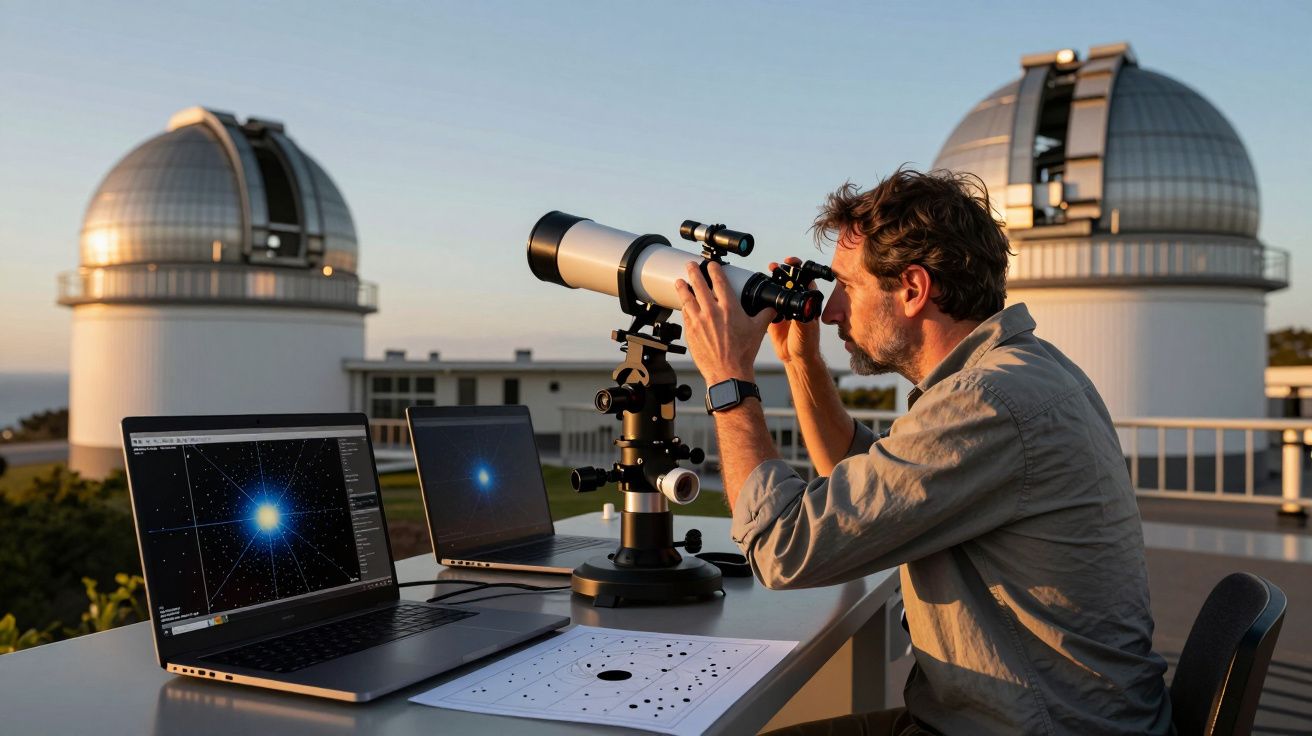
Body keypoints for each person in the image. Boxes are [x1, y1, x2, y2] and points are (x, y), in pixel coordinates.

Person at [673, 169, 1173, 736]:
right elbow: (866, 482)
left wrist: (728, 376)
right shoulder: (1021, 370)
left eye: (847, 286)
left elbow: (782, 548)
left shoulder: (986, 402)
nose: (831, 310)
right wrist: (799, 362)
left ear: (912, 289)